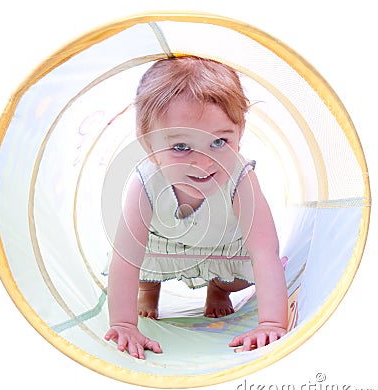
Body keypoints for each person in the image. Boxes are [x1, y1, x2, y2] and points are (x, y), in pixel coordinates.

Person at [104, 56, 288, 359]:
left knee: (241, 277)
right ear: (150, 145)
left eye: (219, 142)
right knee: (139, 272)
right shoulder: (145, 182)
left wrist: (270, 322)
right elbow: (126, 258)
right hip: (163, 251)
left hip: (220, 250)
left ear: (240, 133)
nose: (204, 163)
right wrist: (124, 323)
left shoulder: (240, 178)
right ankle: (150, 292)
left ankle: (217, 287)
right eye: (180, 147)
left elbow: (263, 250)